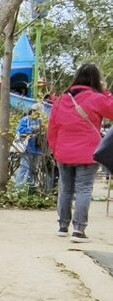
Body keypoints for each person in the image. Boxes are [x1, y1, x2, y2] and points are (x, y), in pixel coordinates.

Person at [48, 63, 113, 242]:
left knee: (65, 190)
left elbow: (52, 128)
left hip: (63, 152)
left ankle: (63, 226)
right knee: (83, 189)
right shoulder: (97, 98)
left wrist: (55, 150)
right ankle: (79, 230)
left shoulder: (61, 100)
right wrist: (106, 92)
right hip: (88, 153)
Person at [14, 105, 44, 188]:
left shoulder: (41, 121)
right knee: (24, 167)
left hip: (38, 148)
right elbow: (19, 130)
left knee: (34, 169)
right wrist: (31, 130)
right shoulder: (26, 119)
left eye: (37, 111)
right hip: (27, 147)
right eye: (34, 111)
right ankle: (18, 187)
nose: (35, 113)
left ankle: (30, 186)